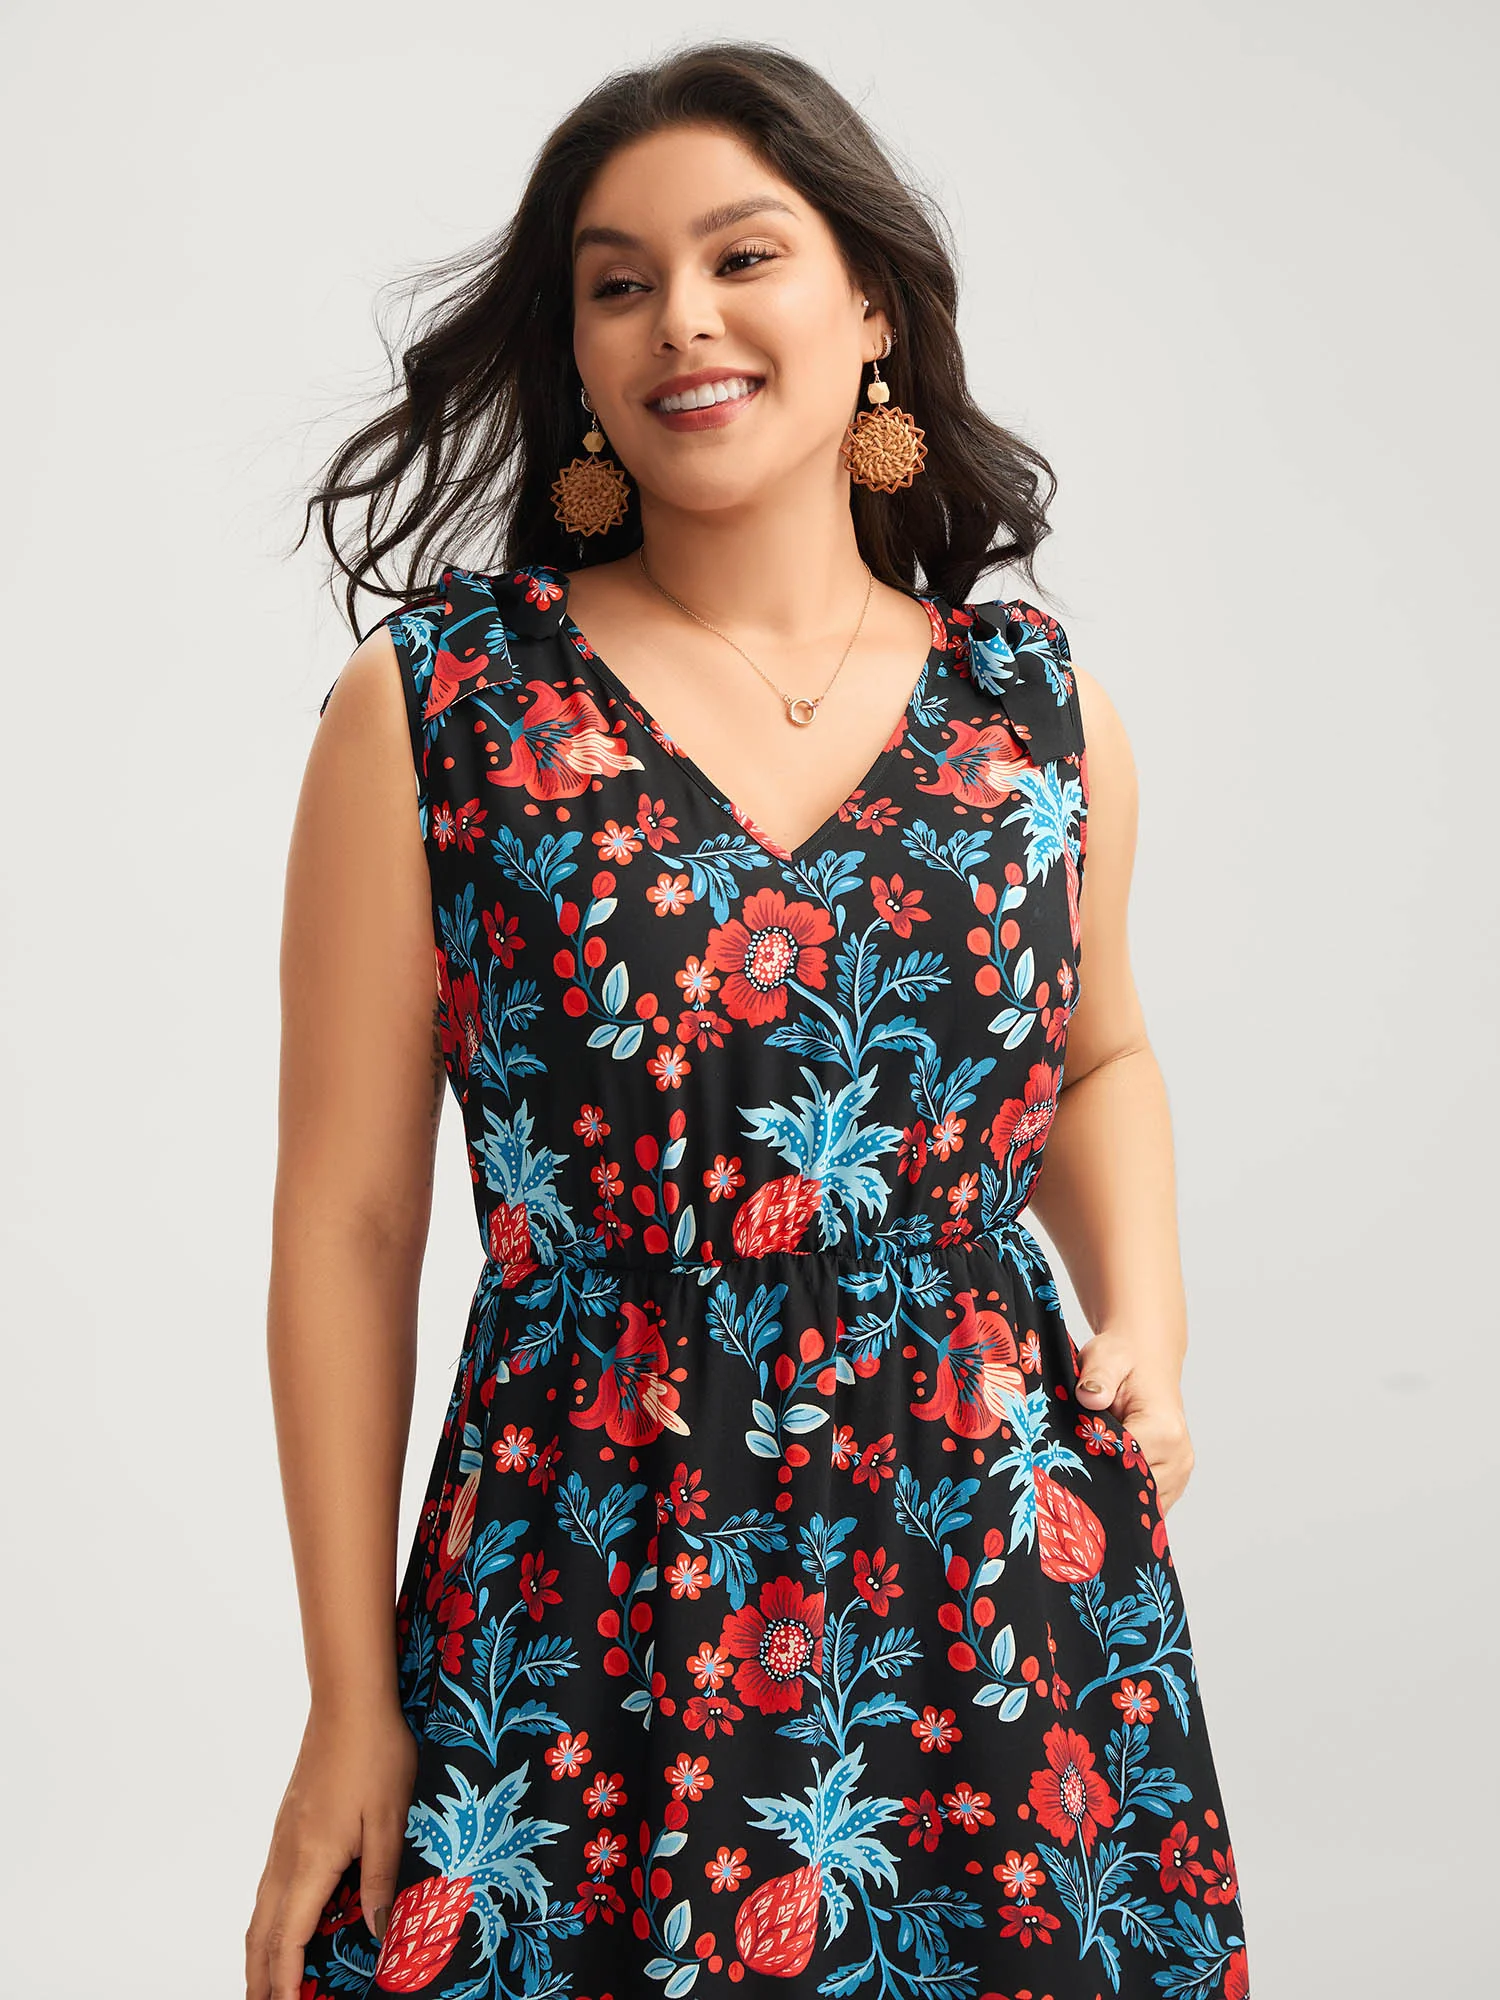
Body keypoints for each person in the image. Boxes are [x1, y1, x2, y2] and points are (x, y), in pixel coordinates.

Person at [248, 40, 1251, 2000]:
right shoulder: (442, 709)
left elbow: (1096, 1055)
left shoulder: (1039, 718)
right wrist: (347, 1702)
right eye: (618, 282)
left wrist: (1149, 1313)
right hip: (579, 1593)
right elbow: (349, 1224)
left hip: (995, 1602)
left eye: (741, 255)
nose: (681, 319)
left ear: (870, 303)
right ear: (577, 354)